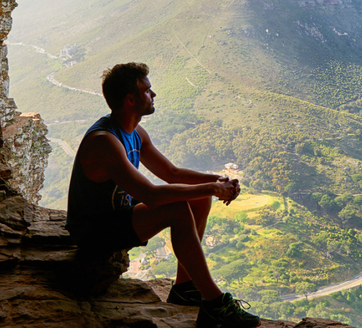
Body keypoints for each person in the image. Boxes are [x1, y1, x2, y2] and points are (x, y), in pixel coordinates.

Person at [66, 62, 260, 328]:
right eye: (147, 90)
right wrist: (214, 189)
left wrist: (216, 180)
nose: (153, 94)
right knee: (178, 209)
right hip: (94, 232)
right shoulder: (105, 141)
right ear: (131, 99)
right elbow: (151, 195)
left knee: (198, 198)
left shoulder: (134, 133)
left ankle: (185, 288)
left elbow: (171, 172)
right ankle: (215, 305)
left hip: (118, 217)